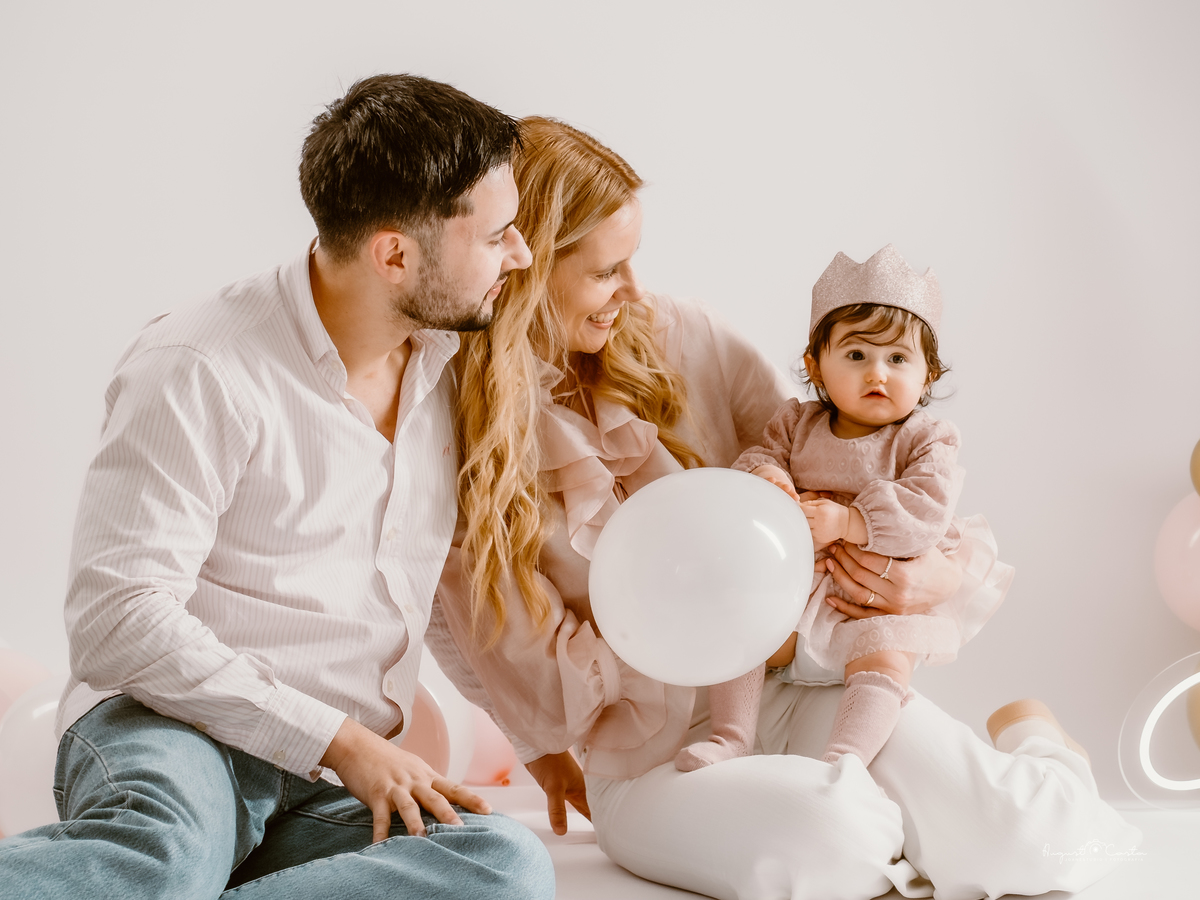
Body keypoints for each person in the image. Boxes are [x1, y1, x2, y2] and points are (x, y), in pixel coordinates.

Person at [429, 116, 1141, 900]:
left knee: (1026, 842)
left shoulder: (685, 336)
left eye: (633, 261)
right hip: (646, 752)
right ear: (525, 264)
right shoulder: (455, 424)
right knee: (833, 841)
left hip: (792, 680)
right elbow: (451, 619)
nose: (632, 289)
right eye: (606, 271)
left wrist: (936, 573)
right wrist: (538, 747)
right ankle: (895, 838)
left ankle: (1039, 747)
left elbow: (840, 456)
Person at [0, 75, 554, 900]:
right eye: (499, 235)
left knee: (503, 865)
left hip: (323, 784)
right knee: (167, 858)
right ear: (394, 256)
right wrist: (339, 741)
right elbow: (117, 617)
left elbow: (437, 598)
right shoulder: (199, 365)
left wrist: (541, 741)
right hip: (175, 731)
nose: (521, 255)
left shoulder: (451, 371)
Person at [676, 244, 1003, 772]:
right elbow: (760, 457)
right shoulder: (796, 423)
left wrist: (851, 520)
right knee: (742, 626)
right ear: (816, 366)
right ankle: (731, 737)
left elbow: (927, 509)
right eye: (856, 355)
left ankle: (845, 759)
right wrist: (770, 479)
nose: (878, 373)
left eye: (898, 359)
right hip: (796, 594)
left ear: (928, 376)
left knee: (887, 660)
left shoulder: (926, 439)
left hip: (872, 607)